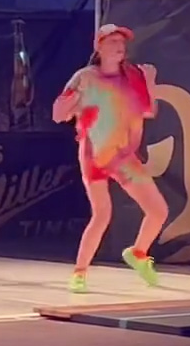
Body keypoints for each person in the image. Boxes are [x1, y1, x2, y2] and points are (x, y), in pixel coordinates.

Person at [52, 23, 167, 292]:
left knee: (158, 210)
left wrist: (150, 84)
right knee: (102, 214)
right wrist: (72, 102)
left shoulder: (132, 76)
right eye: (112, 42)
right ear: (99, 47)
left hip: (123, 155)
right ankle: (80, 272)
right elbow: (58, 114)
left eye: (121, 42)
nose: (119, 47)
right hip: (95, 154)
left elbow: (149, 110)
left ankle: (138, 253)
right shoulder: (85, 77)